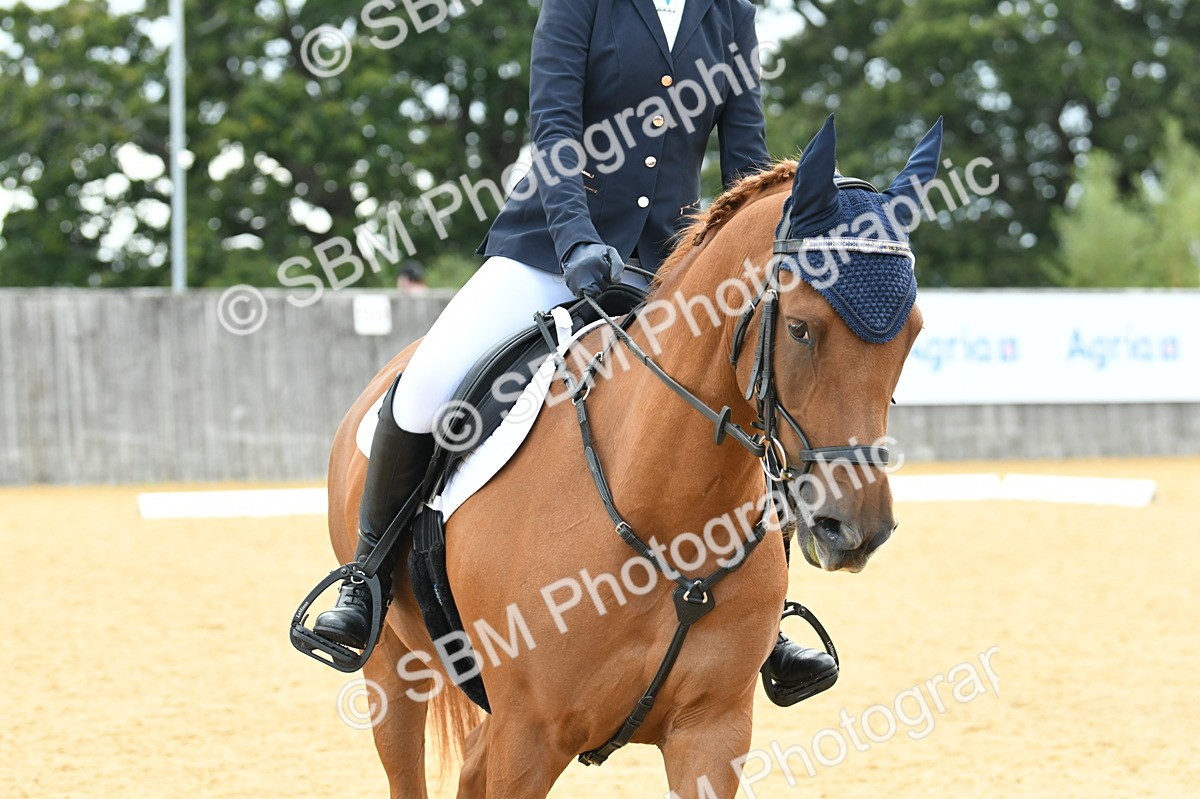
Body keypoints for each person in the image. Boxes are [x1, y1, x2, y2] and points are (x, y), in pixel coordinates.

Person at [313, 0, 837, 695]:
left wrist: (752, 259)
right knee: (427, 385)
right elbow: (555, 128)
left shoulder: (729, 14)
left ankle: (765, 623)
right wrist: (576, 239)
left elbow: (746, 158)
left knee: (746, 399)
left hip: (667, 268)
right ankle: (367, 580)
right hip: (547, 249)